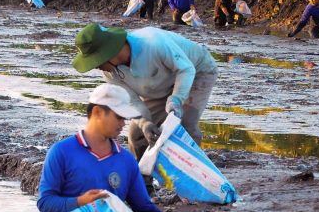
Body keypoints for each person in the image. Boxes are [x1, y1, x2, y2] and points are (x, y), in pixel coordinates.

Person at [37, 84, 203, 212]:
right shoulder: (62, 152)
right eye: (119, 117)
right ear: (97, 113)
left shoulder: (126, 161)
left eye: (125, 118)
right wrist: (80, 202)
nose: (123, 124)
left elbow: (145, 210)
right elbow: (45, 203)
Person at [72, 22, 217, 162]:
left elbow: (186, 69)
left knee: (185, 123)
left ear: (108, 53)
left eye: (96, 62)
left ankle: (193, 175)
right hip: (159, 87)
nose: (96, 67)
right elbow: (132, 101)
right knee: (137, 134)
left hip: (196, 72)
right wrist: (145, 123)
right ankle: (143, 183)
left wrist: (177, 99)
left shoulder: (153, 43)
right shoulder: (110, 72)